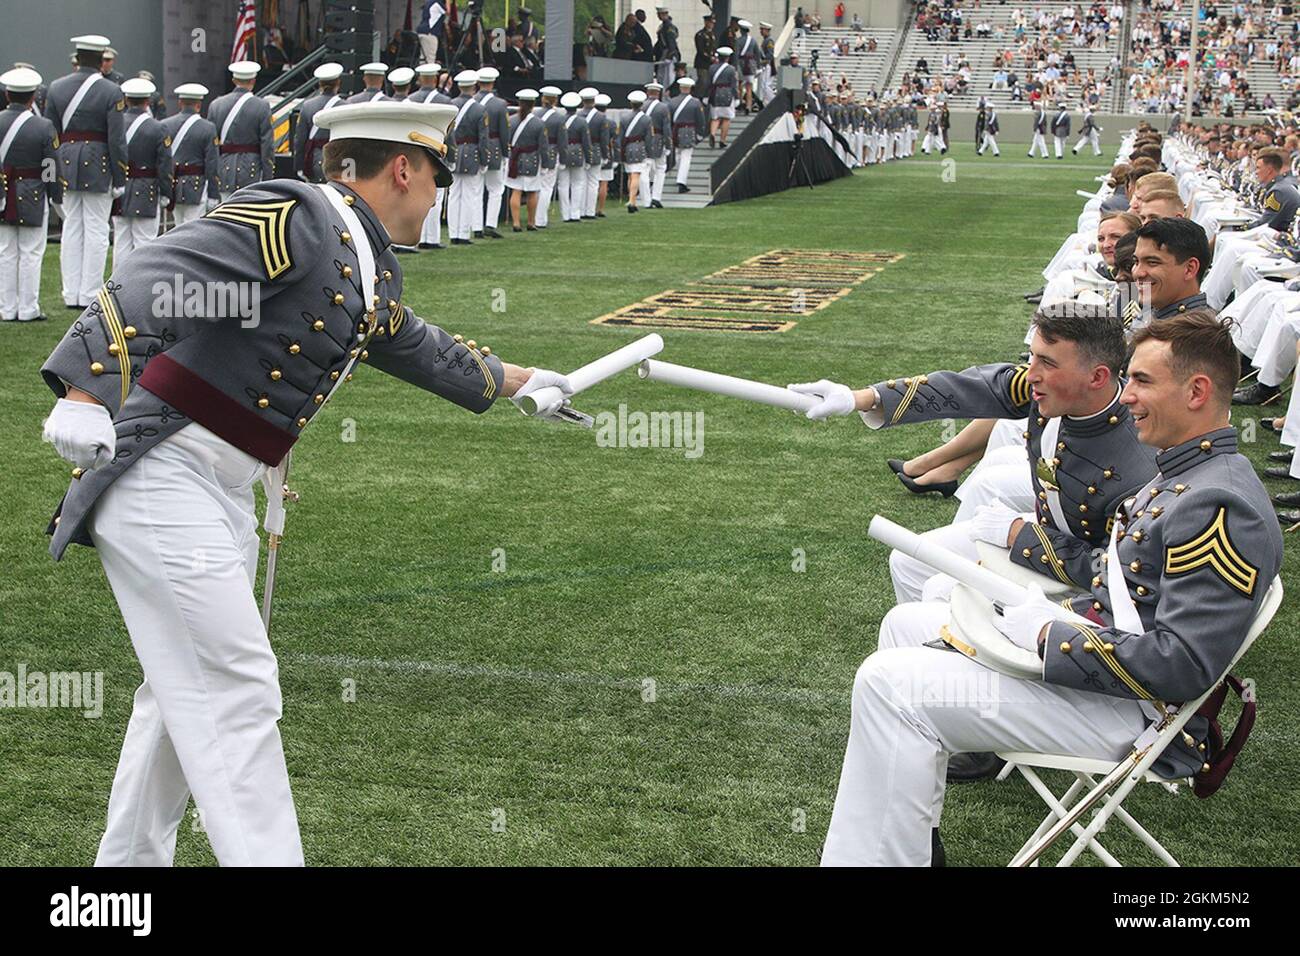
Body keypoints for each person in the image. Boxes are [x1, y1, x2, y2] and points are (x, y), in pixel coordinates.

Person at [38, 99, 576, 867]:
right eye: (436, 179)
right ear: (403, 168)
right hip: (165, 472)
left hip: (219, 486)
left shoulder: (360, 256)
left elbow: (413, 343)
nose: (436, 197)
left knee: (178, 697)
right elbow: (163, 272)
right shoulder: (299, 215)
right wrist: (86, 391)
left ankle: (121, 883)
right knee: (237, 688)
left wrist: (518, 382)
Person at [818, 309, 1282, 865]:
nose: (1125, 394)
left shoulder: (1219, 504)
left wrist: (1051, 632)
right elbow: (1131, 594)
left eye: (1140, 380)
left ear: (1197, 391)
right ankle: (907, 842)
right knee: (905, 624)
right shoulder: (1186, 470)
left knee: (890, 685)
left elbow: (1180, 667)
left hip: (1141, 713)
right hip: (1108, 666)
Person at [45, 34, 126, 311]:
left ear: (77, 59)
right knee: (95, 229)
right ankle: (90, 292)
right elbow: (116, 140)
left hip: (65, 162)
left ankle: (71, 292)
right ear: (100, 60)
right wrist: (120, 176)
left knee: (72, 228)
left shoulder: (55, 87)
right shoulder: (111, 90)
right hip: (98, 164)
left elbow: (51, 135)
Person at [0, 66, 61, 323]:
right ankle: (27, 309)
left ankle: (6, 308)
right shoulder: (44, 126)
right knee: (31, 253)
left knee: (5, 252)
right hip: (33, 193)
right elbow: (50, 167)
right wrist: (54, 196)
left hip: (2, 191)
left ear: (6, 96)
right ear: (33, 97)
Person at [110, 77, 171, 269]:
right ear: (148, 101)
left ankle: (118, 285)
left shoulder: (116, 123)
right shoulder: (158, 127)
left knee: (121, 240)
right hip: (147, 189)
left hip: (120, 186)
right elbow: (164, 164)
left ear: (126, 99)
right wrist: (166, 191)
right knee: (145, 241)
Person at [208, 61, 275, 197]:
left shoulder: (216, 105)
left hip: (224, 168)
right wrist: (268, 177)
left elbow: (211, 145)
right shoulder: (262, 106)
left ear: (233, 80)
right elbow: (267, 145)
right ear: (254, 81)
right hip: (251, 169)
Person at [160, 83, 219, 230]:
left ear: (180, 102)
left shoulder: (165, 125)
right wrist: (213, 193)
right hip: (196, 187)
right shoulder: (208, 128)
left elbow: (162, 160)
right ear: (199, 104)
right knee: (194, 229)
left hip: (174, 185)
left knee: (177, 227)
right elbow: (211, 163)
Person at [447, 69, 487, 246]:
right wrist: (485, 160)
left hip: (454, 151)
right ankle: (463, 233)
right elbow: (483, 138)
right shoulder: (480, 109)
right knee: (469, 195)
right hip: (471, 152)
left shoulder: (450, 104)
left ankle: (453, 232)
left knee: (454, 195)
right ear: (474, 87)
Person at [293, 63, 345, 184]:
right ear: (338, 82)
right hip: (340, 159)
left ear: (320, 84)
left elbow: (300, 139)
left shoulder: (307, 105)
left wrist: (299, 166)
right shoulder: (345, 106)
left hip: (315, 158)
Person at [473, 66, 509, 239]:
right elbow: (504, 132)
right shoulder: (500, 104)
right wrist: (505, 153)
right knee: (495, 189)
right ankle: (490, 224)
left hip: (473, 148)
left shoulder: (471, 101)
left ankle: (476, 225)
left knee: (477, 189)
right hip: (493, 148)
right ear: (492, 82)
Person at [505, 88, 543, 231]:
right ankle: (531, 222)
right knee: (532, 192)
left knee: (516, 190)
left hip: (515, 158)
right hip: (532, 159)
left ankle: (516, 223)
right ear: (533, 104)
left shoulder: (511, 120)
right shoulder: (539, 123)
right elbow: (543, 145)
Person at [555, 90, 590, 223]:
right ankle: (575, 213)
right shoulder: (582, 122)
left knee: (563, 185)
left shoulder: (559, 119)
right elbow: (586, 142)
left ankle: (565, 214)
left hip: (562, 152)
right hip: (577, 152)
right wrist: (589, 158)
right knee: (577, 184)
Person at [668, 77, 706, 193]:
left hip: (675, 130)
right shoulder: (695, 102)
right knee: (686, 157)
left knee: (679, 155)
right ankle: (681, 182)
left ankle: (679, 176)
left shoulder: (672, 101)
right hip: (688, 131)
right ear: (690, 88)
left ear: (680, 88)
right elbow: (701, 120)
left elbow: (668, 119)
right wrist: (700, 133)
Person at [534, 86, 563, 229]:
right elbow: (562, 141)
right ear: (555, 100)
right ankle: (540, 219)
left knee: (536, 186)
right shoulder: (559, 118)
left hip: (534, 152)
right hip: (551, 152)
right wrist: (563, 158)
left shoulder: (535, 114)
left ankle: (534, 217)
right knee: (546, 187)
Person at [641, 81, 669, 209]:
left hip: (642, 140)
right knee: (660, 169)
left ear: (648, 92)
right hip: (658, 139)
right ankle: (656, 197)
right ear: (658, 93)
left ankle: (646, 199)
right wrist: (668, 145)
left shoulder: (641, 106)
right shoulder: (663, 108)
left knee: (644, 170)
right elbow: (666, 129)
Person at [621, 89, 649, 213]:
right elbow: (649, 138)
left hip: (627, 147)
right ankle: (632, 201)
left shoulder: (624, 118)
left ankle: (632, 199)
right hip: (639, 147)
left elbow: (620, 137)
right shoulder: (646, 119)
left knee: (630, 176)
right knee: (635, 175)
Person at [707, 47, 739, 148]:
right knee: (726, 118)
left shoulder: (712, 68)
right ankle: (722, 140)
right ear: (728, 58)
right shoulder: (731, 69)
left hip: (715, 93)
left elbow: (708, 83)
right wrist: (737, 97)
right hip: (727, 93)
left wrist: (706, 95)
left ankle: (712, 133)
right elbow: (734, 85)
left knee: (715, 117)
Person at [653, 6, 681, 89]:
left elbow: (671, 43)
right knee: (661, 77)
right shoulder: (663, 26)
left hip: (669, 54)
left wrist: (670, 55)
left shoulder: (669, 27)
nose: (658, 16)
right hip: (664, 53)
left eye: (659, 14)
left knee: (668, 79)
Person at [694, 14, 717, 81]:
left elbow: (713, 48)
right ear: (706, 22)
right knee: (703, 82)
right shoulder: (700, 35)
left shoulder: (712, 35)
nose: (712, 25)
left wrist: (715, 56)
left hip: (711, 64)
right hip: (703, 63)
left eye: (713, 23)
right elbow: (700, 50)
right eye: (710, 22)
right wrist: (710, 57)